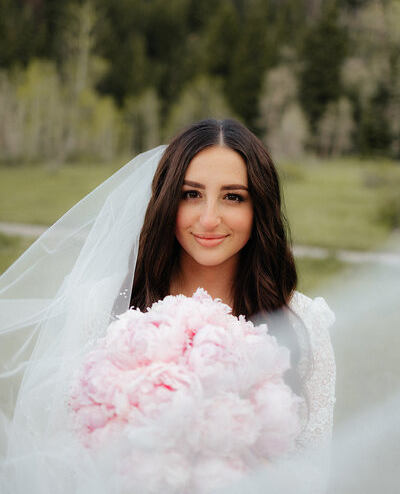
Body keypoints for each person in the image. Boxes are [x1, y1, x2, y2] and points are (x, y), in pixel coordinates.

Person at [0, 118, 335, 492]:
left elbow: (310, 469)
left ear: (260, 208)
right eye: (191, 194)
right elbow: (68, 449)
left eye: (233, 196)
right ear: (166, 199)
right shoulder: (103, 303)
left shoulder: (302, 320)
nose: (209, 219)